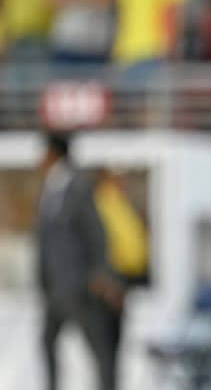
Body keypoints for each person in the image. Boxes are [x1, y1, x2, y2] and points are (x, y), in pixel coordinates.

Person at [36, 132, 123, 390]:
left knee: (98, 348)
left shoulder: (78, 187)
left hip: (80, 286)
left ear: (54, 153)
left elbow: (96, 232)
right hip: (55, 289)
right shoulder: (50, 188)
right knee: (47, 343)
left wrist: (100, 273)